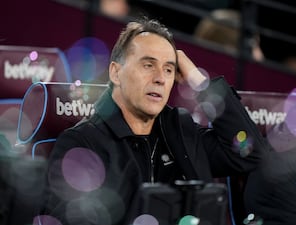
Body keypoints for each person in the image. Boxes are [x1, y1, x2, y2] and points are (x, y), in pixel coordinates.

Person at [38, 17, 267, 225]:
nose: (159, 78)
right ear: (116, 73)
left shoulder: (182, 133)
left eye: (169, 69)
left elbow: (251, 155)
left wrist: (200, 82)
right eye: (148, 65)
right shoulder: (82, 144)